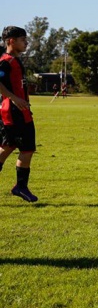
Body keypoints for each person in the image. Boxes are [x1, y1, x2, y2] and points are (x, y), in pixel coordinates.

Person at [0, 26, 38, 202]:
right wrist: (15, 98)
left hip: (23, 112)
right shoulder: (5, 61)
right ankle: (21, 187)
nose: (26, 43)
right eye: (23, 39)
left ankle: (21, 187)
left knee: (26, 148)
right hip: (12, 112)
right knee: (10, 147)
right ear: (11, 41)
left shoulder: (16, 60)